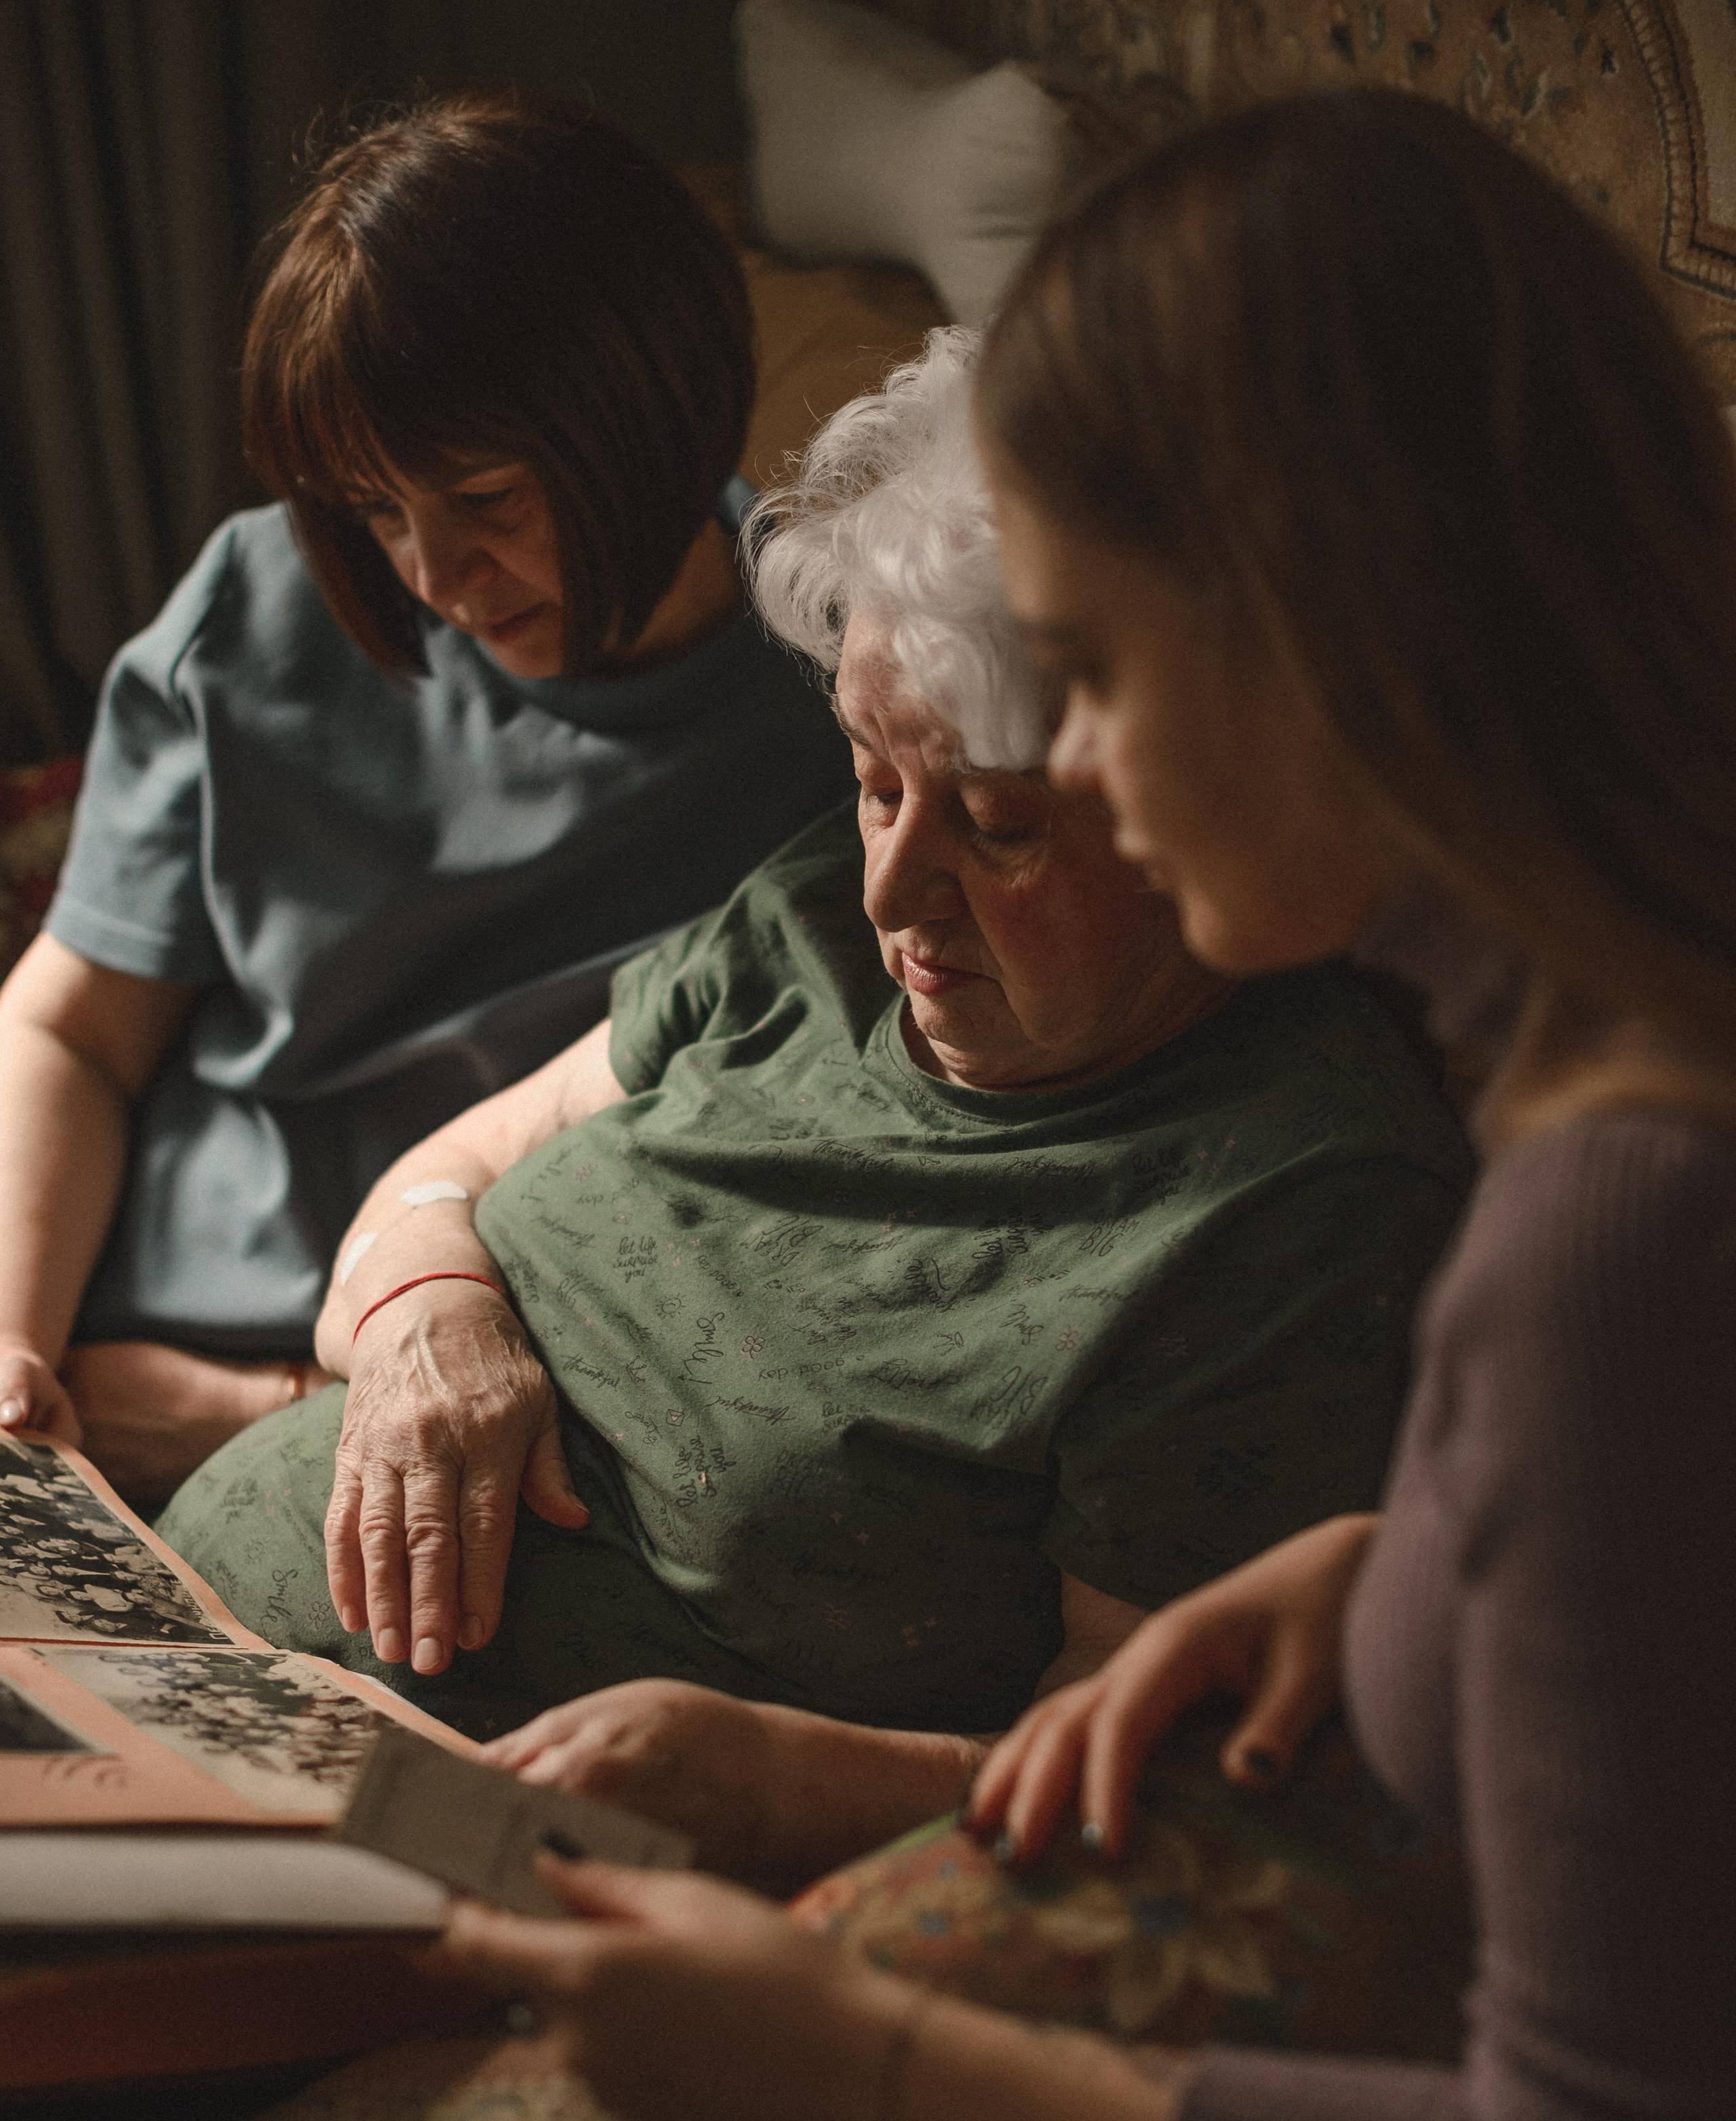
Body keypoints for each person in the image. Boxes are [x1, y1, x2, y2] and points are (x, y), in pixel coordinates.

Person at [423, 95, 1736, 2121]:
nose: (1095, 773)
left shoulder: (1608, 1218)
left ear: (1338, 634)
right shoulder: (1602, 1069)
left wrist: (864, 2059)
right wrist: (1379, 1571)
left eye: (1107, 678)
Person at [158, 330, 1467, 1888]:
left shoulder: (1287, 1209)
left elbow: (1136, 1751)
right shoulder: (808, 920)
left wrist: (806, 1785)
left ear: (1200, 790)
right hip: (147, 1625)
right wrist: (431, 1311)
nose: (890, 890)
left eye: (995, 828)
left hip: (389, 1842)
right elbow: (439, 1174)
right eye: (867, 780)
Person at [0, 92, 852, 1503]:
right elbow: (72, 1030)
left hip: (419, 1406)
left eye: (486, 500)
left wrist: (251, 1415)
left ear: (651, 410)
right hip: (85, 1327)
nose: (435, 583)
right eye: (374, 511)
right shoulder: (260, 604)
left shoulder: (834, 716)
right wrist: (19, 1366)